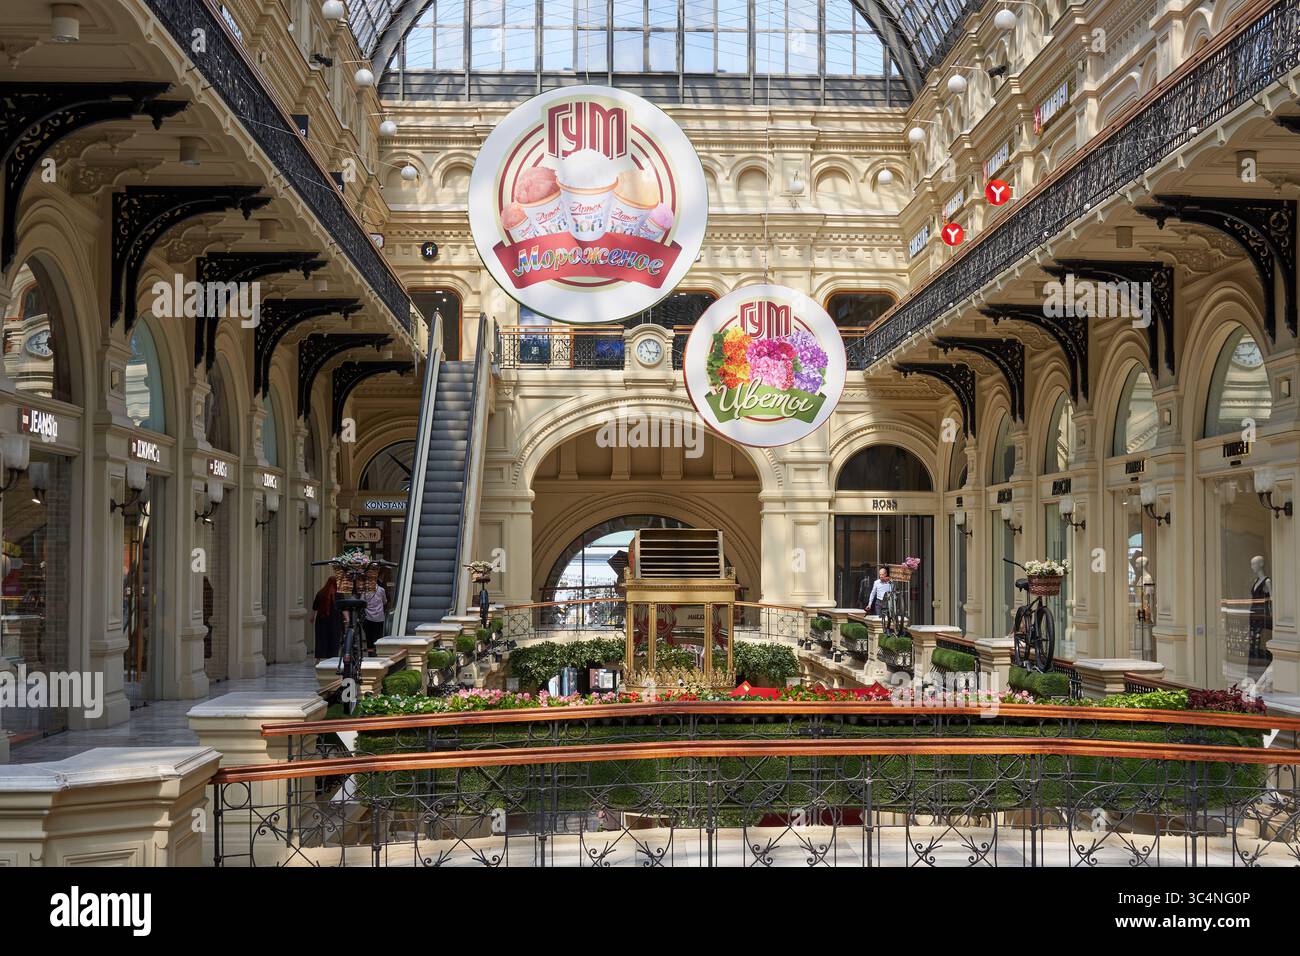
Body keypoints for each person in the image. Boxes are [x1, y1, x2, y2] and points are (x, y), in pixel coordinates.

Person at [310, 576, 341, 660]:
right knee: (333, 638)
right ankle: (332, 657)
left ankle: (319, 658)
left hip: (321, 620)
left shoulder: (320, 593)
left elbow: (314, 608)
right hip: (334, 620)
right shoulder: (338, 594)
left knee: (321, 639)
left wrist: (312, 617)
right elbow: (343, 608)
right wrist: (347, 619)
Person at [362, 574, 388, 652]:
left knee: (369, 637)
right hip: (379, 617)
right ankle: (378, 651)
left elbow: (362, 602)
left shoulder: (364, 591)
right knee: (378, 636)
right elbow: (384, 601)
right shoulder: (381, 590)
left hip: (368, 617)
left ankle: (370, 653)